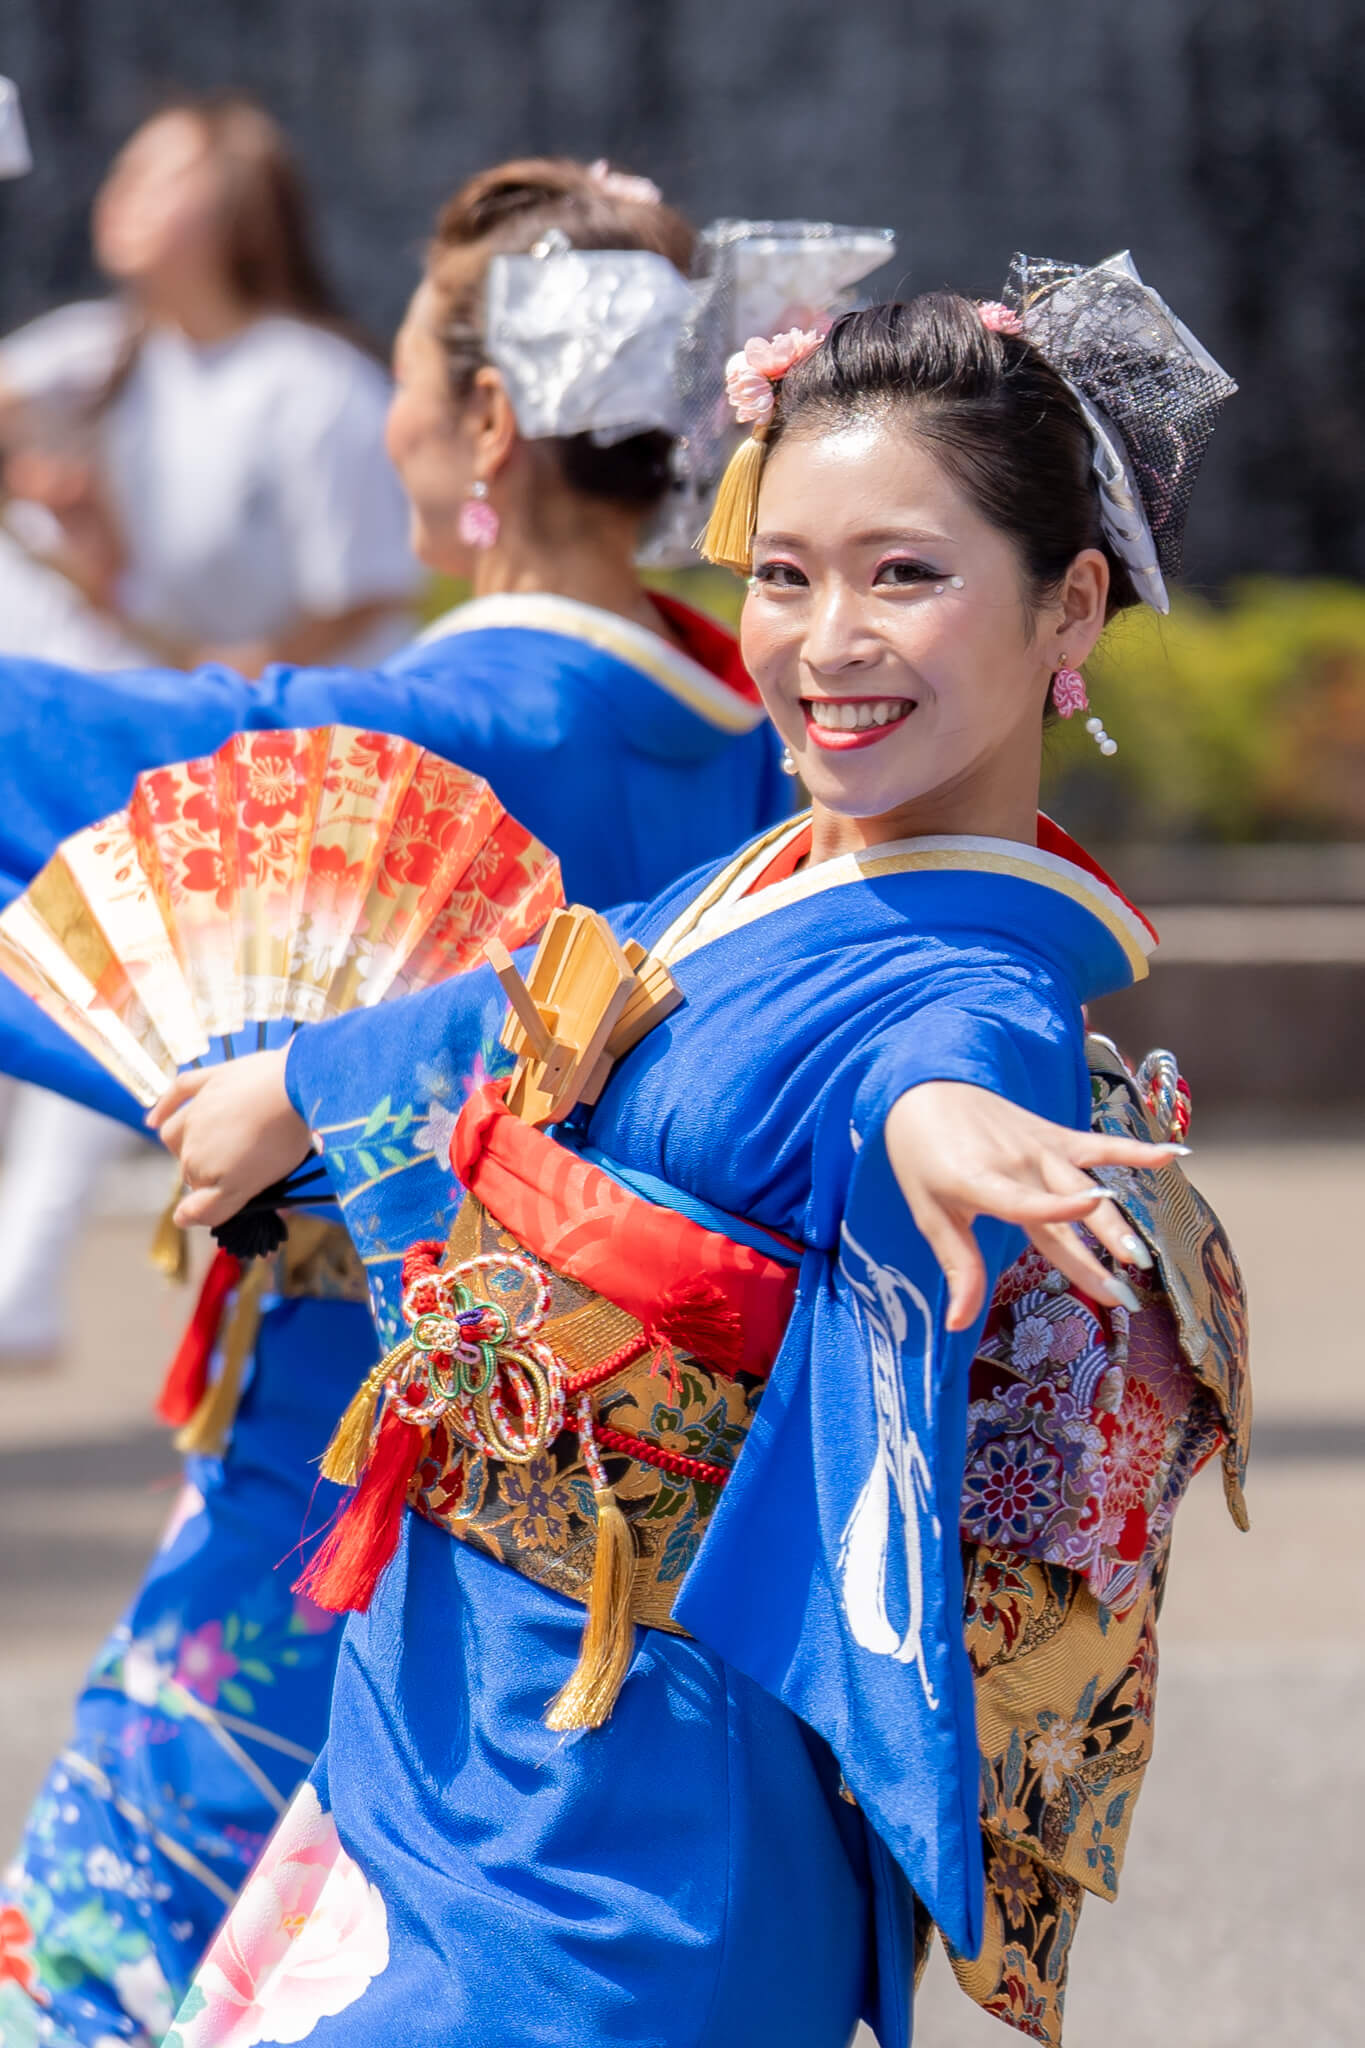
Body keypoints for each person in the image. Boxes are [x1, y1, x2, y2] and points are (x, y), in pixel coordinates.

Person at [142, 261, 1249, 2046]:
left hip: (636, 1796)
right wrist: (294, 1084)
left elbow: (931, 1076)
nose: (825, 640)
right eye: (786, 576)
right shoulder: (775, 877)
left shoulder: (975, 977)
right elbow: (545, 995)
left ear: (1071, 610)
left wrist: (947, 1128)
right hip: (460, 1702)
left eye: (907, 574)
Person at [0, 166, 881, 2048]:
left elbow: (76, 789)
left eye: (403, 372)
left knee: (102, 1978)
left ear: (485, 420)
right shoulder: (768, 749)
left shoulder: (435, 736)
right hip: (641, 1552)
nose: (389, 416)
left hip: (333, 1492)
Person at [0, 94, 419, 1373]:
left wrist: (224, 673)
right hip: (149, 706)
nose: (118, 192)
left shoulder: (315, 383)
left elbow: (362, 593)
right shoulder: (99, 352)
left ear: (235, 212)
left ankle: (36, 1270)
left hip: (276, 743)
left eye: (158, 173)